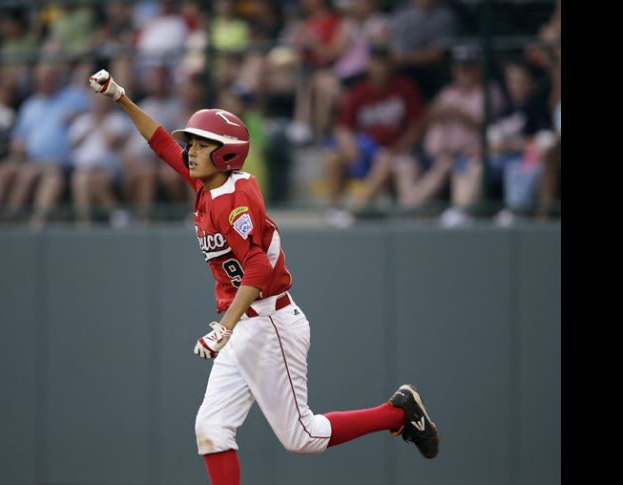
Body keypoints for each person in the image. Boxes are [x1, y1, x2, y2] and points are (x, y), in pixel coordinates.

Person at [88, 68, 441, 484]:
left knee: (303, 437)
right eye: (194, 144)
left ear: (226, 155)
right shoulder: (209, 185)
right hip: (247, 323)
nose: (192, 151)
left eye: (203, 145)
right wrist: (120, 96)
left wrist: (223, 327)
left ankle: (397, 413)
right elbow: (162, 143)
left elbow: (257, 267)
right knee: (212, 429)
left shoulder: (233, 200)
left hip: (269, 321)